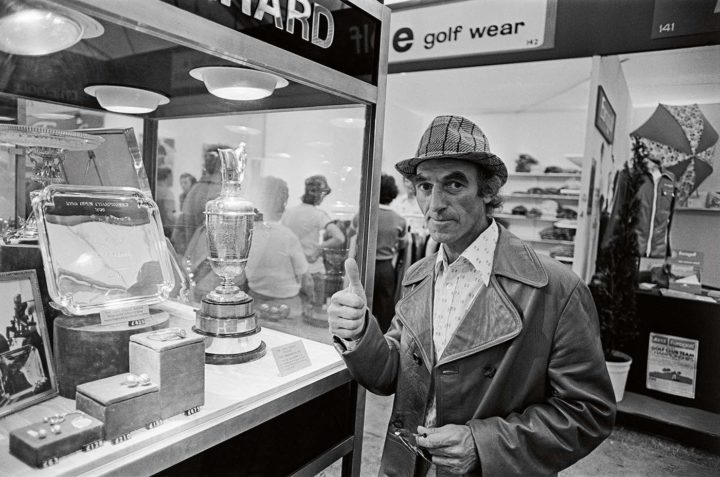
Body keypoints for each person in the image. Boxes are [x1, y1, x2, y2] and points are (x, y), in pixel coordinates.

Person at [328, 115, 615, 476]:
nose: (434, 204)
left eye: (454, 184)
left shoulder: (555, 288)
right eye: (424, 186)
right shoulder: (419, 276)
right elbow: (391, 374)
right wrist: (359, 331)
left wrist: (483, 444)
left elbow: (589, 412)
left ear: (489, 190)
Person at [353, 174, 406, 332]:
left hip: (365, 264)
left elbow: (353, 236)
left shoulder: (363, 215)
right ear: (393, 193)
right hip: (386, 268)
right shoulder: (400, 220)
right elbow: (402, 244)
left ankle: (361, 339)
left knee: (361, 305)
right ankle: (383, 341)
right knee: (385, 308)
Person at [245, 176, 313, 300]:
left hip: (254, 297)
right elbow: (306, 279)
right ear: (281, 202)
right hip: (287, 300)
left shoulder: (247, 233)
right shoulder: (286, 235)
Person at [281, 174, 345, 275]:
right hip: (312, 270)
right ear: (317, 194)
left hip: (291, 270)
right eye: (323, 194)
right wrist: (319, 248)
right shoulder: (319, 215)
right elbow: (339, 237)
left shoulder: (288, 213)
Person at [171, 146, 225, 255]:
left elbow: (182, 227)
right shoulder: (218, 190)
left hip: (196, 254)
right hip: (208, 256)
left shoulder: (196, 189)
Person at [155, 167, 176, 239]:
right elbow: (169, 215)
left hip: (154, 227)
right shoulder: (168, 193)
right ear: (168, 177)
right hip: (165, 230)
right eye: (172, 176)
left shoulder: (154, 189)